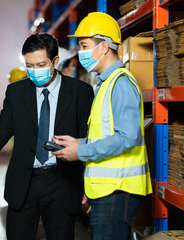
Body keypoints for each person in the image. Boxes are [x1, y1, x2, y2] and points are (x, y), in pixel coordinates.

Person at [0, 33, 94, 240]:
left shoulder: (80, 92)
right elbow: (2, 129)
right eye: (30, 66)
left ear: (55, 61)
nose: (35, 71)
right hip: (24, 182)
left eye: (41, 65)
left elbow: (88, 139)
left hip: (62, 181)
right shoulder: (16, 92)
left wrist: (88, 185)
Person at [51, 12, 153, 240]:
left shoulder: (121, 84)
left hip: (118, 191)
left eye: (84, 45)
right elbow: (107, 135)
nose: (81, 52)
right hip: (106, 190)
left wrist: (81, 152)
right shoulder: (105, 84)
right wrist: (79, 143)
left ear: (104, 47)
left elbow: (128, 138)